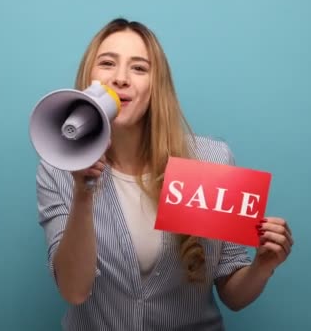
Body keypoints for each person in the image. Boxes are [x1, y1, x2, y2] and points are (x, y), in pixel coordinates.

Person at [35, 17, 294, 330]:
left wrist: (263, 265)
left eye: (139, 68)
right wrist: (83, 190)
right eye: (107, 63)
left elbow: (233, 295)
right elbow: (74, 290)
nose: (120, 78)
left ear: (155, 86)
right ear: (88, 78)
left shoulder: (210, 161)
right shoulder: (59, 169)